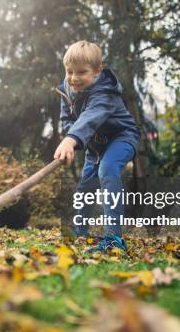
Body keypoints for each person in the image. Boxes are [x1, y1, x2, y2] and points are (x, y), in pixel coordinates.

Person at [54, 40, 140, 252]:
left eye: (81, 72)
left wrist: (71, 138)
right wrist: (72, 138)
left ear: (98, 70)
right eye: (69, 71)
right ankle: (80, 232)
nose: (74, 78)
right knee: (86, 186)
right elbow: (67, 118)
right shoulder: (66, 88)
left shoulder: (106, 92)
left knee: (107, 169)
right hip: (95, 146)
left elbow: (91, 118)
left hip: (122, 137)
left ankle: (113, 238)